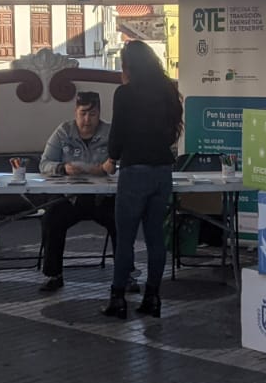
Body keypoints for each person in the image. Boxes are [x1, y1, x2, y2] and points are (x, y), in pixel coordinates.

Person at [104, 41, 184, 319]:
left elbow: (118, 132)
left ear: (129, 66)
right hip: (162, 171)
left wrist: (111, 159)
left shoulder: (124, 94)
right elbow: (173, 132)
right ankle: (153, 297)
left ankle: (117, 300)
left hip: (134, 169)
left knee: (125, 239)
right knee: (155, 240)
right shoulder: (168, 91)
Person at [37, 91, 117, 292]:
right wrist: (62, 168)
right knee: (52, 218)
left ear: (100, 114)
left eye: (92, 114)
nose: (87, 120)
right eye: (82, 113)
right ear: (75, 112)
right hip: (70, 198)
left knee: (123, 220)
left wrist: (113, 166)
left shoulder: (111, 133)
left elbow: (127, 163)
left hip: (103, 198)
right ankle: (54, 275)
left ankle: (126, 274)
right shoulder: (64, 131)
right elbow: (44, 163)